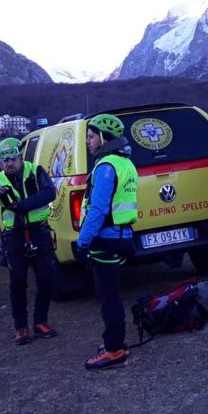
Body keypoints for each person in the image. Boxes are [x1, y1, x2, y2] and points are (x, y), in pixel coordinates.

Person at [0, 138, 58, 345]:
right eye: (5, 160)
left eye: (13, 159)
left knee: (46, 279)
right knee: (17, 282)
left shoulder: (35, 171)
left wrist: (22, 206)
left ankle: (40, 322)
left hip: (39, 232)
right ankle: (21, 327)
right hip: (14, 236)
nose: (9, 164)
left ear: (20, 157)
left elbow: (50, 192)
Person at [76, 114, 138, 371]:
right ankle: (115, 341)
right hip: (122, 236)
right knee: (112, 293)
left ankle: (114, 350)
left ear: (103, 138)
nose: (88, 142)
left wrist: (82, 242)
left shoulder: (106, 166)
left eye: (91, 136)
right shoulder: (125, 162)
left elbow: (98, 210)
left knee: (108, 296)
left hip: (106, 239)